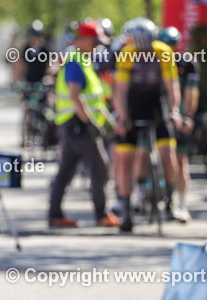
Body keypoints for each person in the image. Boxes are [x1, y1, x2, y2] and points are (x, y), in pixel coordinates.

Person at [48, 20, 121, 228]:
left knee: (66, 171)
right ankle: (101, 215)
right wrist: (89, 122)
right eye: (94, 41)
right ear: (82, 41)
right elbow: (75, 96)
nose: (98, 45)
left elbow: (95, 99)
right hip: (78, 125)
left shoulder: (85, 61)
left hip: (74, 125)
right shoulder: (76, 62)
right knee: (100, 168)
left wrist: (108, 121)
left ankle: (55, 215)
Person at [113, 17, 181, 232]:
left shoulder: (163, 51)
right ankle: (126, 211)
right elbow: (121, 90)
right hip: (133, 107)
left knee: (168, 153)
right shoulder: (126, 53)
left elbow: (172, 86)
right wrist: (122, 117)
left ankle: (169, 201)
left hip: (156, 105)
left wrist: (174, 111)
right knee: (125, 159)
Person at [158, 26, 199, 222]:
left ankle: (181, 205)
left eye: (173, 46)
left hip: (179, 118)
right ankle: (146, 196)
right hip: (159, 117)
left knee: (181, 161)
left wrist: (188, 116)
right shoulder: (154, 61)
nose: (171, 50)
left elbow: (191, 93)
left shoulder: (186, 63)